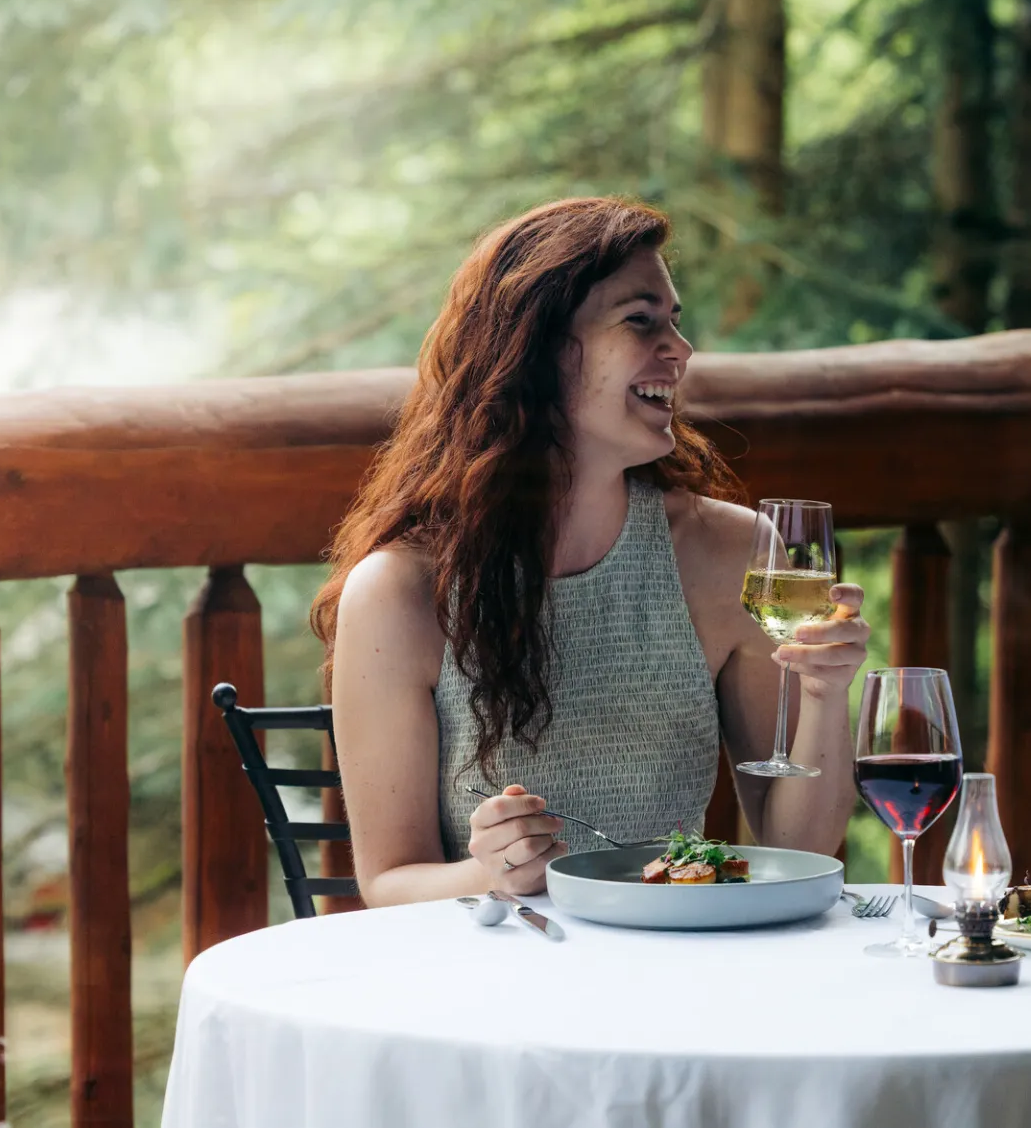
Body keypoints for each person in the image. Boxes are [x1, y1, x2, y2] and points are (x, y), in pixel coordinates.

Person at [313, 197, 868, 906]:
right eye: (641, 320)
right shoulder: (398, 591)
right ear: (537, 351)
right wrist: (491, 874)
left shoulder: (734, 552)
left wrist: (825, 695)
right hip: (494, 985)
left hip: (680, 971)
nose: (680, 348)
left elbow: (798, 849)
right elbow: (390, 880)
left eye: (674, 319)